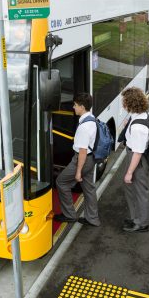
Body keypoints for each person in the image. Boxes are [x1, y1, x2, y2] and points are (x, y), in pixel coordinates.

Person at [53, 93, 100, 227]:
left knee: (61, 182)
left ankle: (69, 215)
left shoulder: (84, 128)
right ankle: (92, 219)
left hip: (82, 160)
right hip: (92, 159)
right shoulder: (91, 118)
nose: (73, 107)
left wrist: (78, 171)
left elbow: (82, 152)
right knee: (89, 188)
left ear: (82, 107)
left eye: (75, 105)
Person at [120, 87, 149, 233]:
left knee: (139, 191)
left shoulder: (139, 127)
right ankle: (135, 217)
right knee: (132, 189)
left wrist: (129, 173)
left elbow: (138, 152)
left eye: (124, 101)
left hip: (136, 159)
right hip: (134, 155)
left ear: (130, 103)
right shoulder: (140, 115)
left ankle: (142, 224)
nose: (122, 104)